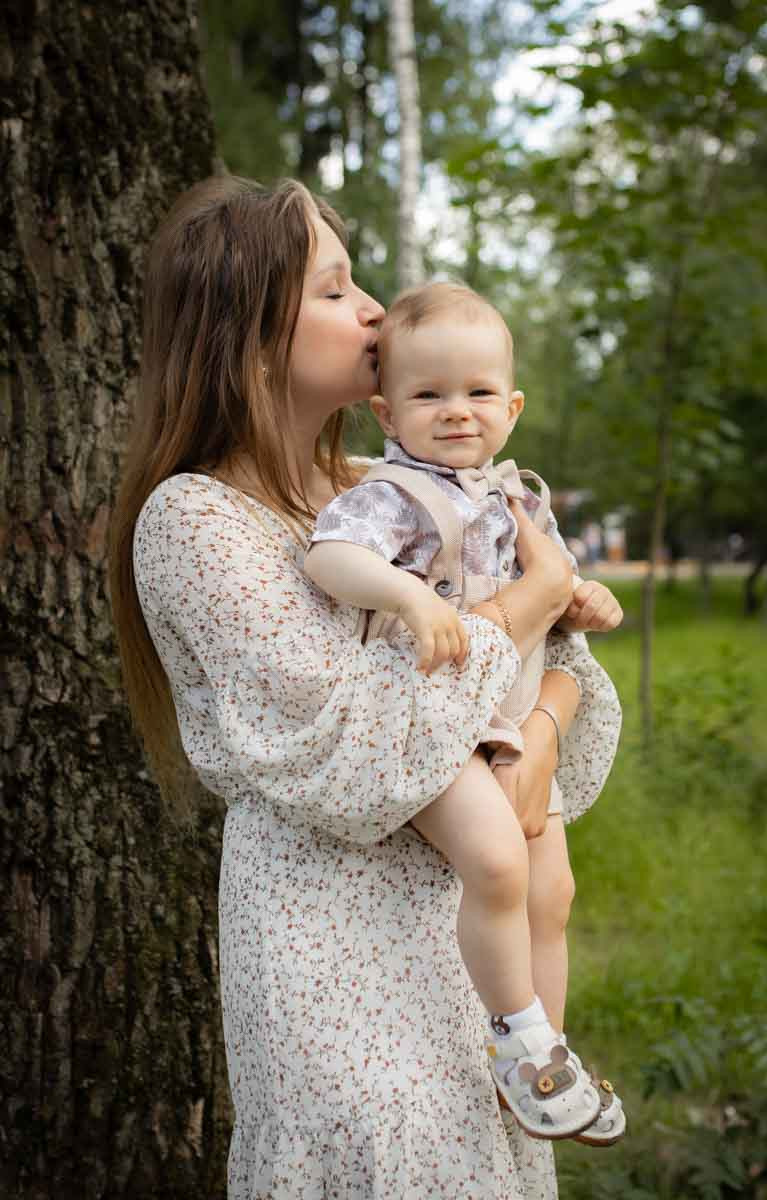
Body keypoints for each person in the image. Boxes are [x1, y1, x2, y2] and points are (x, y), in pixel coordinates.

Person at [108, 174, 621, 1199]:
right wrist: (528, 606)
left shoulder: (384, 491)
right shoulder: (196, 523)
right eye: (336, 290)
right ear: (250, 339)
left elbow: (564, 661)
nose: (376, 311)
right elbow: (356, 742)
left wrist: (541, 739)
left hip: (468, 933)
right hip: (331, 943)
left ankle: (534, 1054)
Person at [304, 282, 625, 1146]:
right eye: (428, 394)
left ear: (512, 408)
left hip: (517, 715)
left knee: (553, 893)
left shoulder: (522, 498)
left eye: (479, 393)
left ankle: (542, 1058)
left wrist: (582, 600)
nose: (456, 412)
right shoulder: (392, 496)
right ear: (385, 411)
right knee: (496, 866)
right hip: (439, 723)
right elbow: (330, 557)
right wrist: (405, 595)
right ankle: (518, 1036)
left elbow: (551, 593)